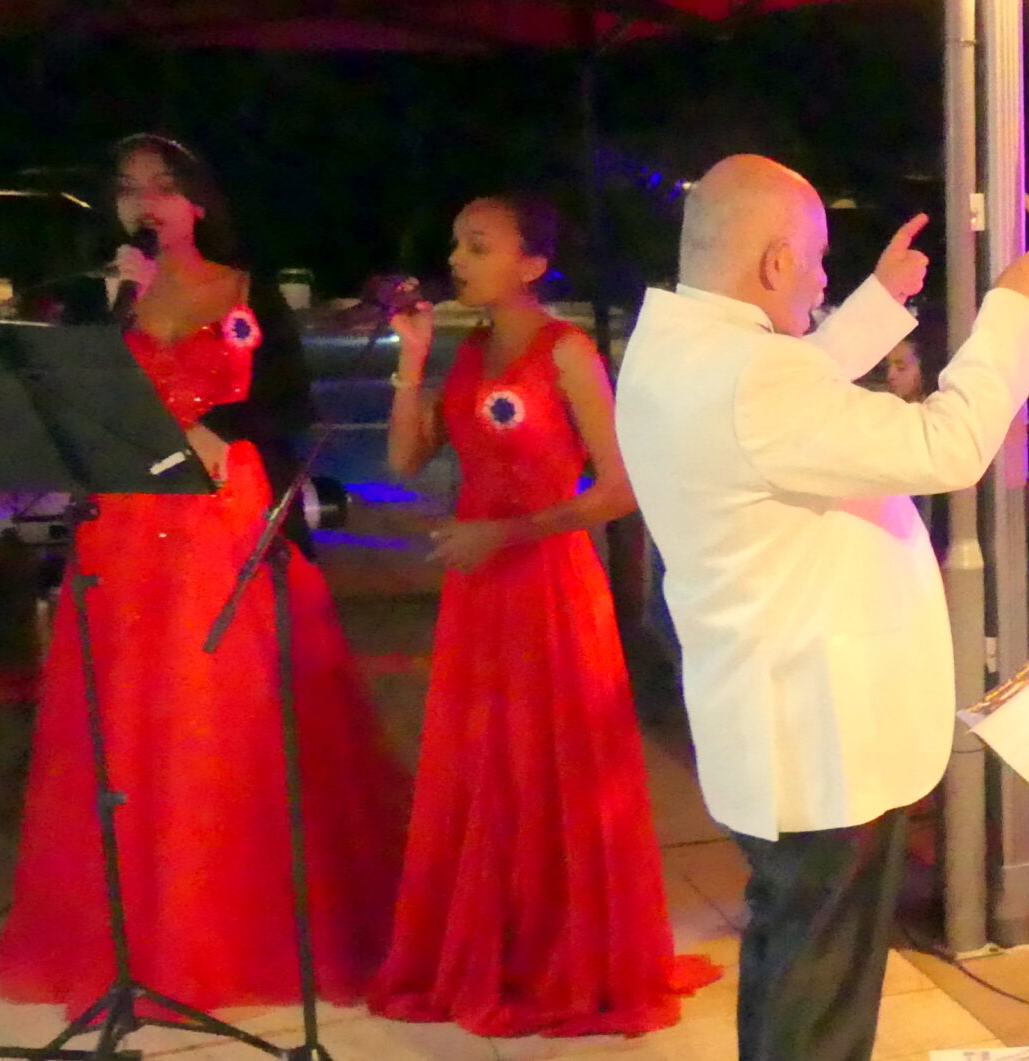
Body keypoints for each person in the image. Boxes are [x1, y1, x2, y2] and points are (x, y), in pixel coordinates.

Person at [614, 155, 1029, 1061]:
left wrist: (879, 302)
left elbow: (786, 393)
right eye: (817, 262)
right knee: (820, 987)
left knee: (794, 954)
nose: (824, 282)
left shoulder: (678, 348)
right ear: (775, 262)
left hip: (774, 718)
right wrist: (1013, 317)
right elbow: (947, 444)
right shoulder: (749, 379)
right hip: (819, 736)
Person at [0, 134, 408, 1012]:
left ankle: (235, 926)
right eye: (129, 188)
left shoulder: (247, 290)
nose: (146, 203)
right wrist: (123, 306)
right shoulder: (103, 299)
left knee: (219, 706)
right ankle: (135, 926)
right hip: (125, 527)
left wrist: (222, 424)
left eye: (163, 186)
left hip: (223, 518)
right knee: (128, 712)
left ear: (197, 200)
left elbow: (290, 401)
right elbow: (74, 404)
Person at [366, 195, 717, 1036]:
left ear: (531, 264)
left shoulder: (567, 352)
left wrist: (509, 531)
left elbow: (622, 488)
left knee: (552, 767)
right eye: (456, 244)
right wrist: (411, 362)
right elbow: (406, 460)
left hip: (549, 585)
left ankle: (568, 951)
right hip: (479, 591)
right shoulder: (469, 351)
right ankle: (502, 942)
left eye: (478, 245)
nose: (457, 259)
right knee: (487, 766)